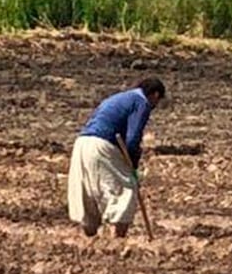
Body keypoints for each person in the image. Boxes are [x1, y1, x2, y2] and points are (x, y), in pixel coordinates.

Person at [68, 78, 165, 238]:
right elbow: (133, 138)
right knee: (124, 188)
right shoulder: (141, 102)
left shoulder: (118, 98)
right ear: (155, 95)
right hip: (103, 144)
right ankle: (116, 239)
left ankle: (88, 237)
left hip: (82, 144)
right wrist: (133, 162)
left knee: (89, 190)